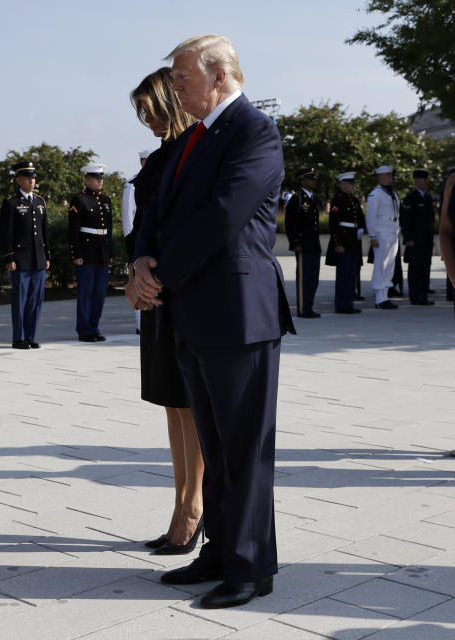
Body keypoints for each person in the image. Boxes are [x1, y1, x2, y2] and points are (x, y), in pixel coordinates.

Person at [130, 34, 295, 608]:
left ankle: (251, 567)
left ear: (219, 75)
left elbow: (223, 216)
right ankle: (221, 552)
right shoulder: (192, 139)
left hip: (237, 313)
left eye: (181, 76)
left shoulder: (255, 131)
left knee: (244, 447)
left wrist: (159, 275)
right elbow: (157, 211)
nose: (175, 86)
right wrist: (141, 261)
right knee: (218, 446)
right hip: (194, 313)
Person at [123, 66, 203, 556]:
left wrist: (151, 273)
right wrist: (135, 270)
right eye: (140, 112)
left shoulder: (192, 150)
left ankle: (193, 507)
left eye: (150, 108)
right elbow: (143, 228)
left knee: (190, 405)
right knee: (173, 404)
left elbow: (189, 226)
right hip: (155, 293)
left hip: (179, 292)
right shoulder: (163, 155)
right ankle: (181, 502)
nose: (145, 118)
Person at [0, 162, 50, 349]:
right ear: (18, 180)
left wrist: (47, 256)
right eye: (28, 178)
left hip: (38, 258)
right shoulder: (11, 202)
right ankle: (19, 338)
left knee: (35, 300)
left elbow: (45, 231)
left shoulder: (39, 202)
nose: (32, 181)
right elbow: (6, 233)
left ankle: (30, 336)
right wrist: (10, 257)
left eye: (34, 178)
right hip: (20, 259)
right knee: (20, 301)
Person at [69, 163, 112, 342]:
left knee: (99, 293)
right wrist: (76, 253)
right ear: (87, 179)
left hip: (102, 253)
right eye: (95, 178)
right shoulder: (79, 200)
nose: (99, 181)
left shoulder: (106, 200)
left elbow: (109, 228)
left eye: (101, 178)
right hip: (86, 253)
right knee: (86, 292)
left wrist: (110, 254)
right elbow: (73, 229)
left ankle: (94, 327)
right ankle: (84, 330)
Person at [122, 150, 152, 335]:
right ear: (142, 161)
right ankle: (140, 324)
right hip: (137, 238)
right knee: (137, 281)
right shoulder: (133, 183)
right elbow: (128, 216)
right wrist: (130, 246)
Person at [285, 168, 322, 318]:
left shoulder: (314, 198)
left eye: (314, 178)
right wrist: (295, 242)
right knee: (304, 278)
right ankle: (303, 309)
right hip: (303, 245)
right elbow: (291, 223)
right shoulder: (297, 198)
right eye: (311, 178)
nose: (314, 180)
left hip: (314, 244)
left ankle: (309, 306)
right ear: (303, 180)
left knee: (313, 278)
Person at [326, 172, 363, 314]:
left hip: (354, 241)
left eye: (352, 183)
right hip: (344, 240)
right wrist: (337, 243)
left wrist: (361, 228)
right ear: (341, 184)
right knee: (343, 275)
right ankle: (341, 305)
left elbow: (359, 217)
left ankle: (349, 303)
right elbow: (333, 223)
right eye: (348, 183)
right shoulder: (337, 200)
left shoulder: (354, 200)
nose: (351, 186)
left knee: (352, 274)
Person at [400, 169, 436, 305]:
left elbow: (430, 220)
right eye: (423, 181)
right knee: (415, 269)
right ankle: (415, 296)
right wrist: (408, 239)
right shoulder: (411, 198)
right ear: (418, 182)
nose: (425, 183)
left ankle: (423, 295)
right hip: (415, 241)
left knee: (425, 268)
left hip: (426, 240)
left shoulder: (427, 197)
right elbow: (406, 220)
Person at [368, 165, 401, 309]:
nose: (390, 177)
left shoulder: (392, 193)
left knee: (390, 266)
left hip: (393, 232)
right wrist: (372, 236)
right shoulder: (376, 194)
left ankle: (385, 295)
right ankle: (379, 298)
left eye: (391, 175)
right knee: (380, 265)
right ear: (381, 176)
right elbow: (370, 217)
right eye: (388, 175)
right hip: (381, 233)